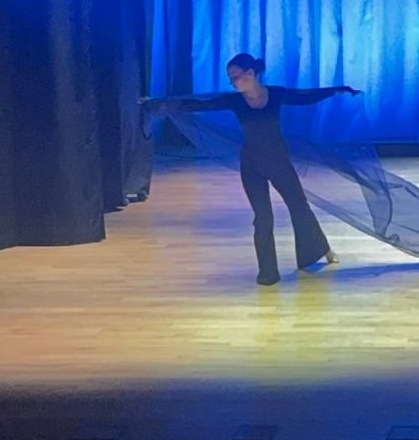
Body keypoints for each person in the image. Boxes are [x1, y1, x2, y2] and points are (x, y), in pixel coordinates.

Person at [145, 52, 360, 286]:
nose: (232, 82)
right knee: (263, 217)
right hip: (251, 164)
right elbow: (200, 103)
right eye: (230, 78)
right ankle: (268, 273)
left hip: (278, 161)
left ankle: (321, 249)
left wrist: (337, 90)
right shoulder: (235, 101)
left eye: (235, 77)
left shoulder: (275, 94)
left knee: (299, 207)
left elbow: (304, 97)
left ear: (250, 73)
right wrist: (157, 104)